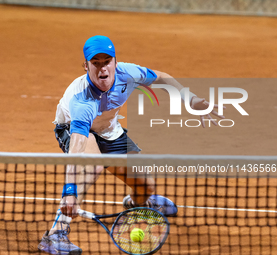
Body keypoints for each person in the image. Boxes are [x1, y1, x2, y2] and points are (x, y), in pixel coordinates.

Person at [38, 35, 224, 255]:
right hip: (75, 128)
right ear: (86, 66)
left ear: (115, 62)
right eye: (95, 63)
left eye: (106, 61)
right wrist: (70, 191)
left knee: (146, 184)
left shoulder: (128, 73)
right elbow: (77, 150)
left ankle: (136, 203)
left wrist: (190, 99)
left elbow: (162, 78)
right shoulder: (82, 101)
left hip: (108, 129)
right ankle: (55, 234)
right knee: (93, 165)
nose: (102, 69)